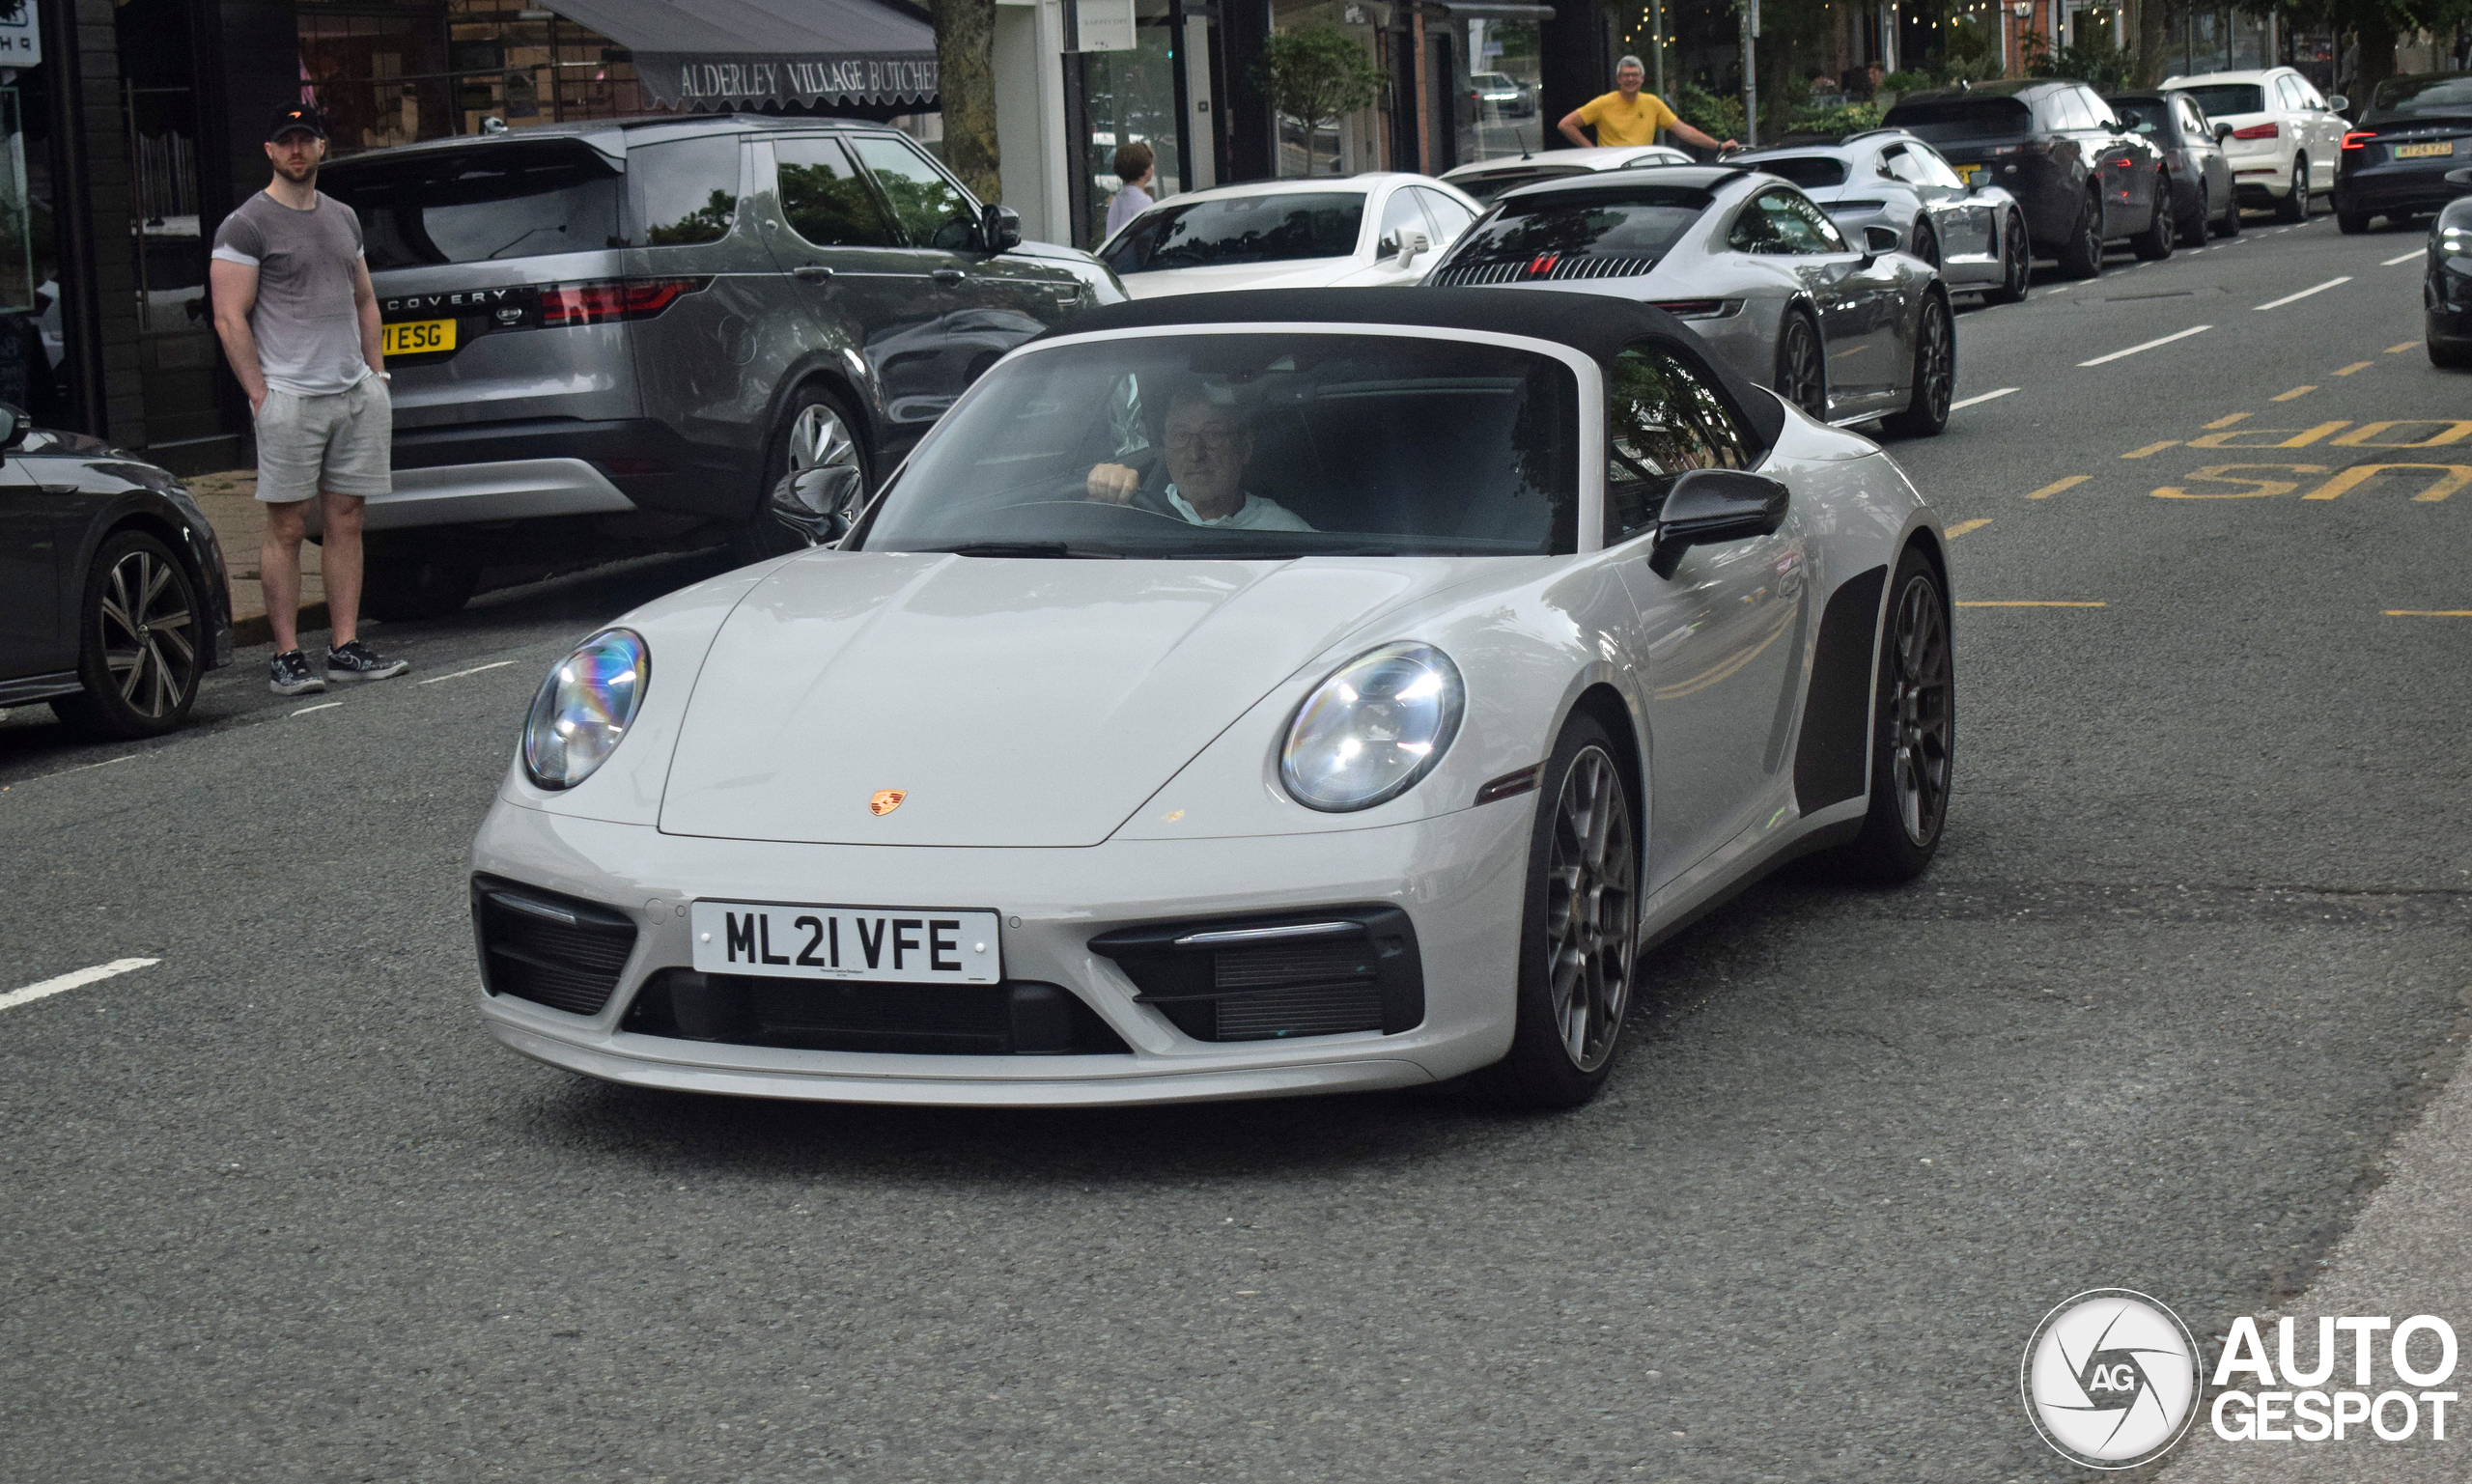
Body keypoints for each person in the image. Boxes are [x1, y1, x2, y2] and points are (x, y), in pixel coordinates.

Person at [210, 103, 408, 696]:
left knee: (347, 519)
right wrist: (259, 393)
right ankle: (287, 655)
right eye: (285, 141)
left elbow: (365, 298)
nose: (296, 150)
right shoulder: (245, 225)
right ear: (270, 152)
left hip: (353, 393)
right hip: (289, 398)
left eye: (306, 139)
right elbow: (228, 315)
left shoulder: (344, 217)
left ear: (322, 147)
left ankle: (345, 646)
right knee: (288, 526)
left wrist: (377, 376)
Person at [1083, 386, 1312, 531]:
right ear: (1165, 448)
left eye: (1213, 434)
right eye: (1181, 436)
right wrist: (1100, 495)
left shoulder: (1285, 532)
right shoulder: (1132, 514)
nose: (1195, 454)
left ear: (1244, 449)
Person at [1558, 55, 1738, 154]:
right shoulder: (1603, 103)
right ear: (1618, 79)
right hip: (1611, 169)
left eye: (1635, 75)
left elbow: (1684, 131)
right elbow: (1566, 124)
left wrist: (1719, 146)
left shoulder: (1652, 103)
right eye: (1626, 75)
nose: (1630, 79)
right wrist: (1593, 153)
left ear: (1642, 79)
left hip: (1642, 168)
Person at [1104, 141, 1156, 240]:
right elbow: (1145, 238)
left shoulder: (1118, 199)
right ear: (1144, 169)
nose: (1153, 167)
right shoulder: (1144, 201)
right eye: (1151, 164)